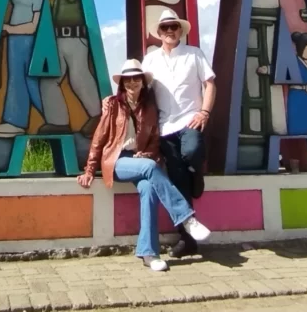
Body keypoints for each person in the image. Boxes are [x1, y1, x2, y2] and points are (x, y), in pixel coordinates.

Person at [78, 60, 210, 271]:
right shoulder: (113, 104)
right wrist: (89, 170)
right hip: (116, 160)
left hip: (139, 160)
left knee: (149, 189)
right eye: (127, 80)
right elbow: (99, 138)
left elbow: (155, 141)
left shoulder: (149, 108)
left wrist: (147, 154)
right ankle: (186, 218)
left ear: (142, 82)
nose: (132, 83)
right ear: (122, 84)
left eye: (136, 79)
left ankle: (149, 253)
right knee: (149, 167)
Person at [142, 9, 216, 258]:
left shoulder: (194, 54)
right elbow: (142, 91)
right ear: (159, 33)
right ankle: (187, 240)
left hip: (190, 121)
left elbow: (210, 83)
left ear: (181, 30)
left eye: (174, 26)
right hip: (164, 127)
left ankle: (198, 173)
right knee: (178, 184)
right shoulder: (150, 59)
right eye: (165, 28)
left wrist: (204, 112)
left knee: (193, 151)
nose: (170, 31)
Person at [40, 0, 102, 137]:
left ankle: (98, 117)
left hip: (76, 38)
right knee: (49, 79)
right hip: (58, 39)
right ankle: (58, 122)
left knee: (79, 77)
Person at [0, 0, 56, 138]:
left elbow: (34, 25)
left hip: (28, 41)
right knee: (15, 79)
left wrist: (9, 28)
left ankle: (53, 116)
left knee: (31, 80)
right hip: (14, 41)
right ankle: (15, 121)